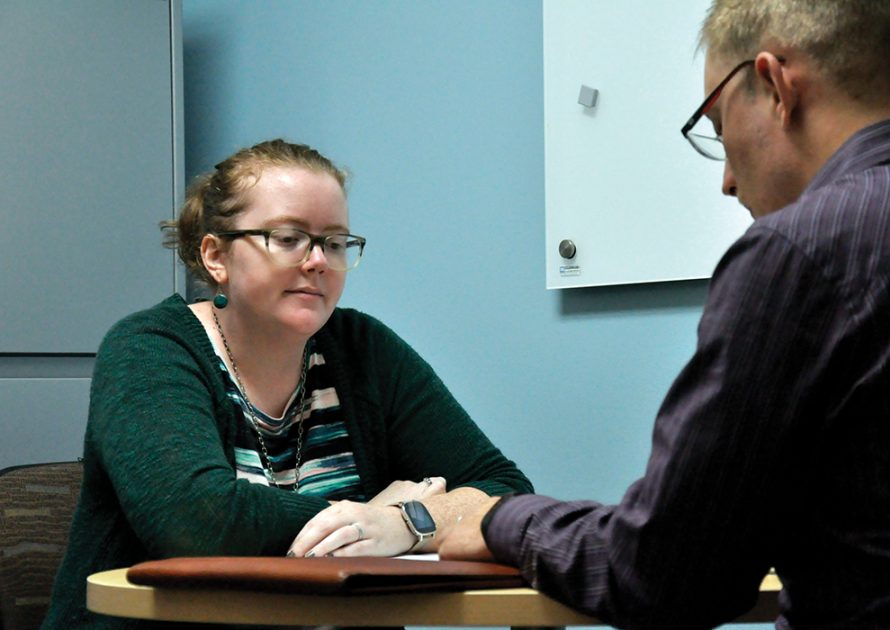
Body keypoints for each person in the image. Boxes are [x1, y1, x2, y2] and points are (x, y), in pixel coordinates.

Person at [440, 1, 890, 628]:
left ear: (775, 84)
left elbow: (662, 573)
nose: (727, 181)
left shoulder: (802, 251)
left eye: (715, 126)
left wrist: (498, 518)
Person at [44, 139, 532, 628]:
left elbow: (506, 492)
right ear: (216, 256)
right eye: (288, 238)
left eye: (335, 242)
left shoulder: (363, 348)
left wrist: (402, 522)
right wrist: (363, 514)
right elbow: (196, 519)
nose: (318, 260)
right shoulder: (150, 348)